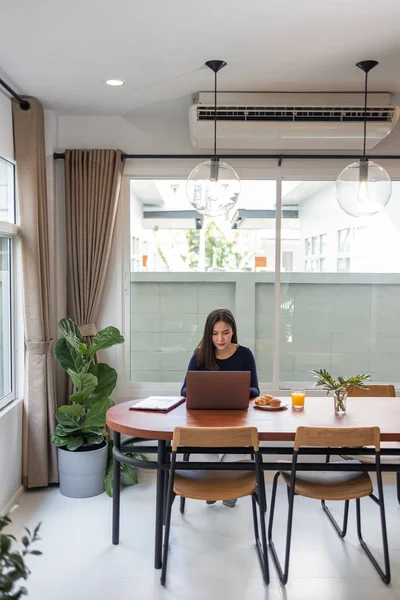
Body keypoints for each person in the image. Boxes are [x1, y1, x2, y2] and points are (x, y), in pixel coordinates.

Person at [180, 308, 260, 508]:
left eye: (225, 332)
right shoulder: (200, 355)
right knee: (209, 453)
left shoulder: (244, 354)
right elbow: (184, 390)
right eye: (215, 334)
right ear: (208, 334)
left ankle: (227, 489)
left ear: (233, 331)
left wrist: (236, 390)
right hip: (205, 424)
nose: (220, 339)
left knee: (233, 452)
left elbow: (255, 389)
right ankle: (212, 487)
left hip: (237, 421)